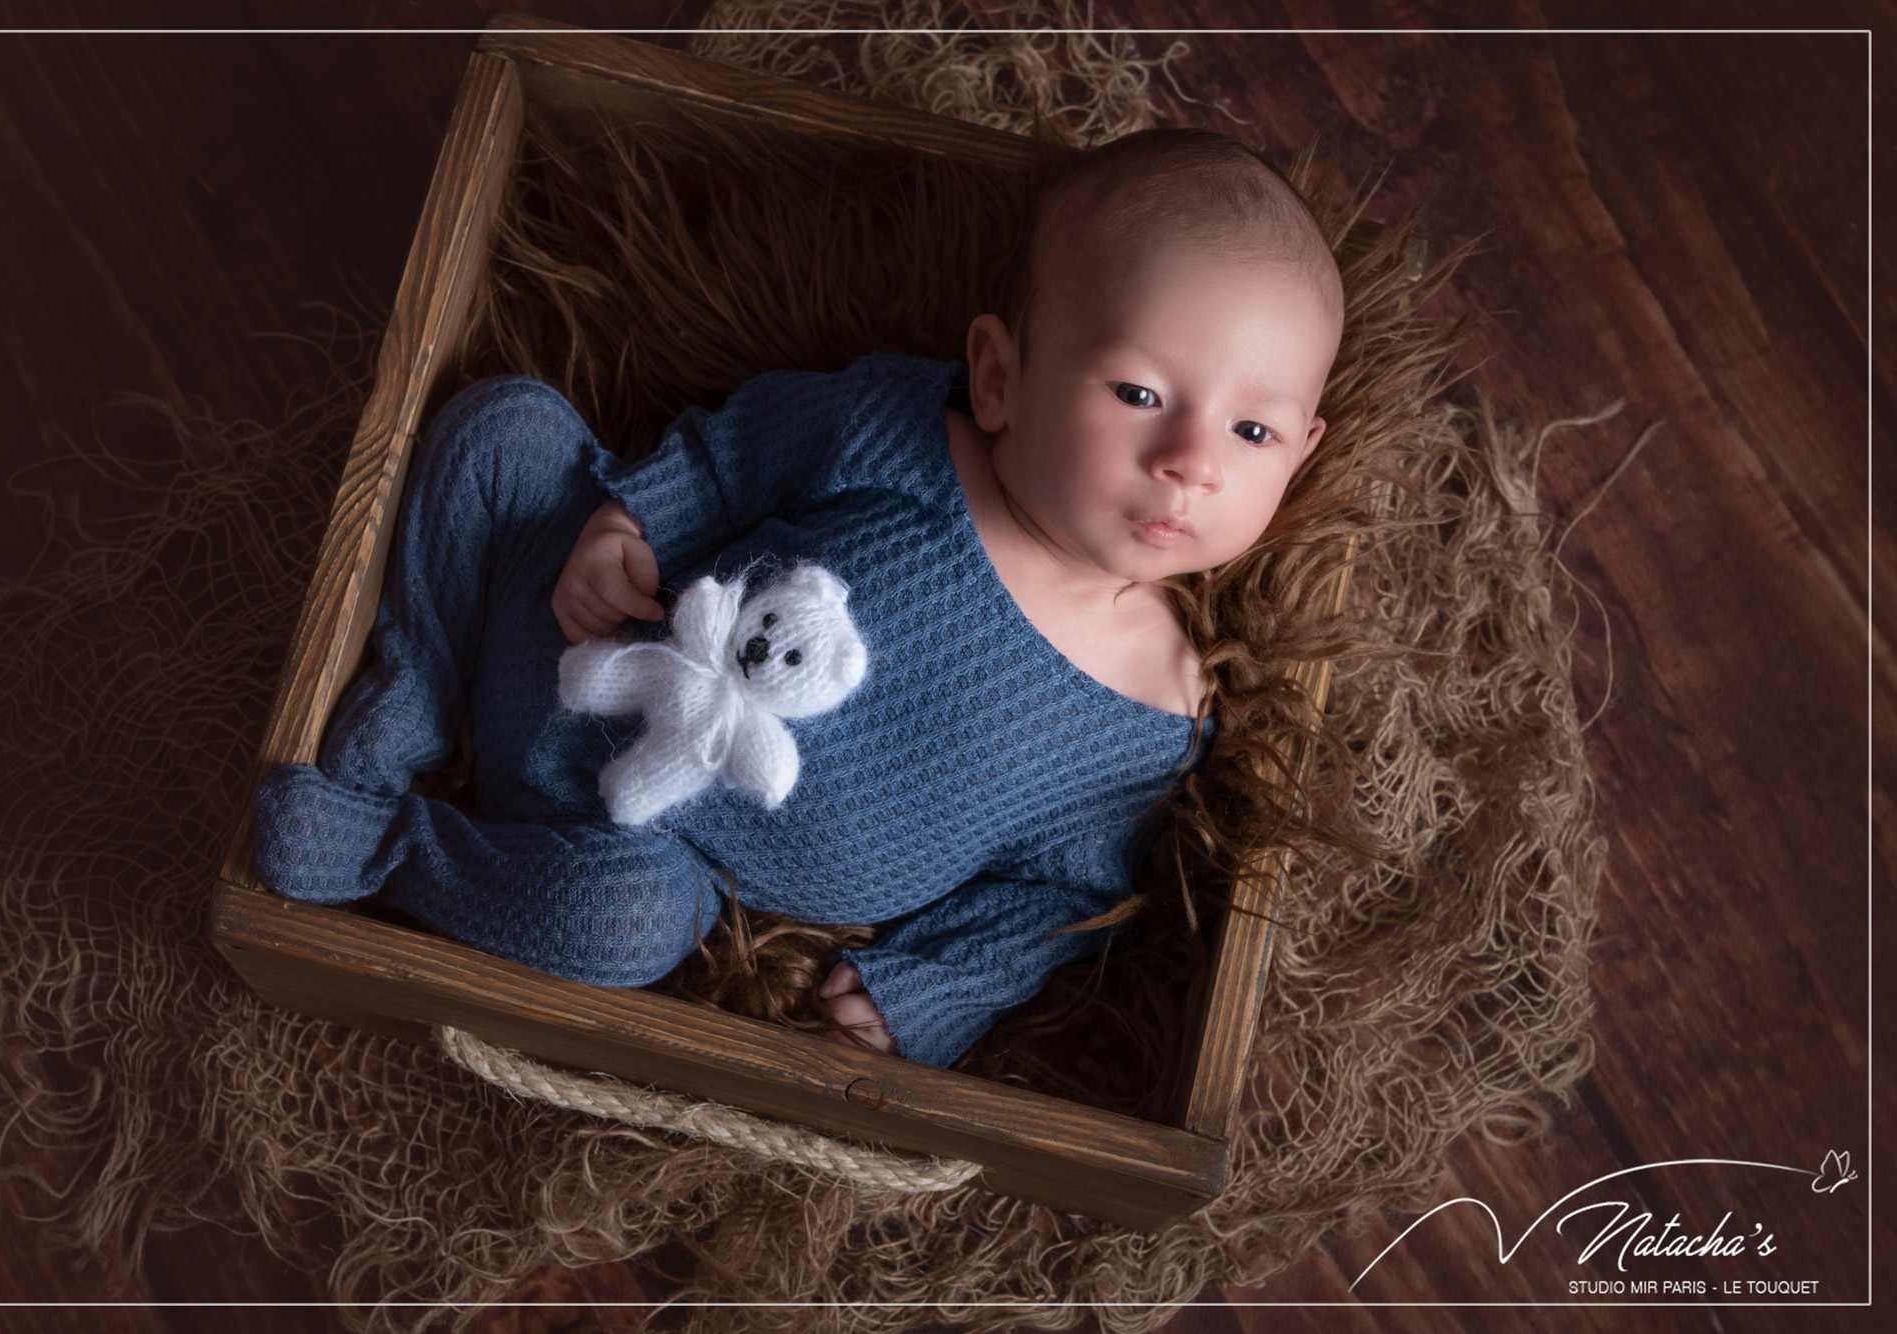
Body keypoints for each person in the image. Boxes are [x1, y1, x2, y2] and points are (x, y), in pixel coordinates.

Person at [253, 127, 1345, 1070]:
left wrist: (927, 991)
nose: (1188, 461)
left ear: (1298, 455)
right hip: (575, 628)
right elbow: (736, 455)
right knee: (508, 427)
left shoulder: (1154, 712)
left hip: (665, 857)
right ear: (1002, 375)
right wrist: (636, 521)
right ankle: (412, 695)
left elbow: (1055, 895)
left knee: (619, 929)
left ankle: (390, 842)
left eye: (1250, 431)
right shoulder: (909, 432)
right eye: (1139, 392)